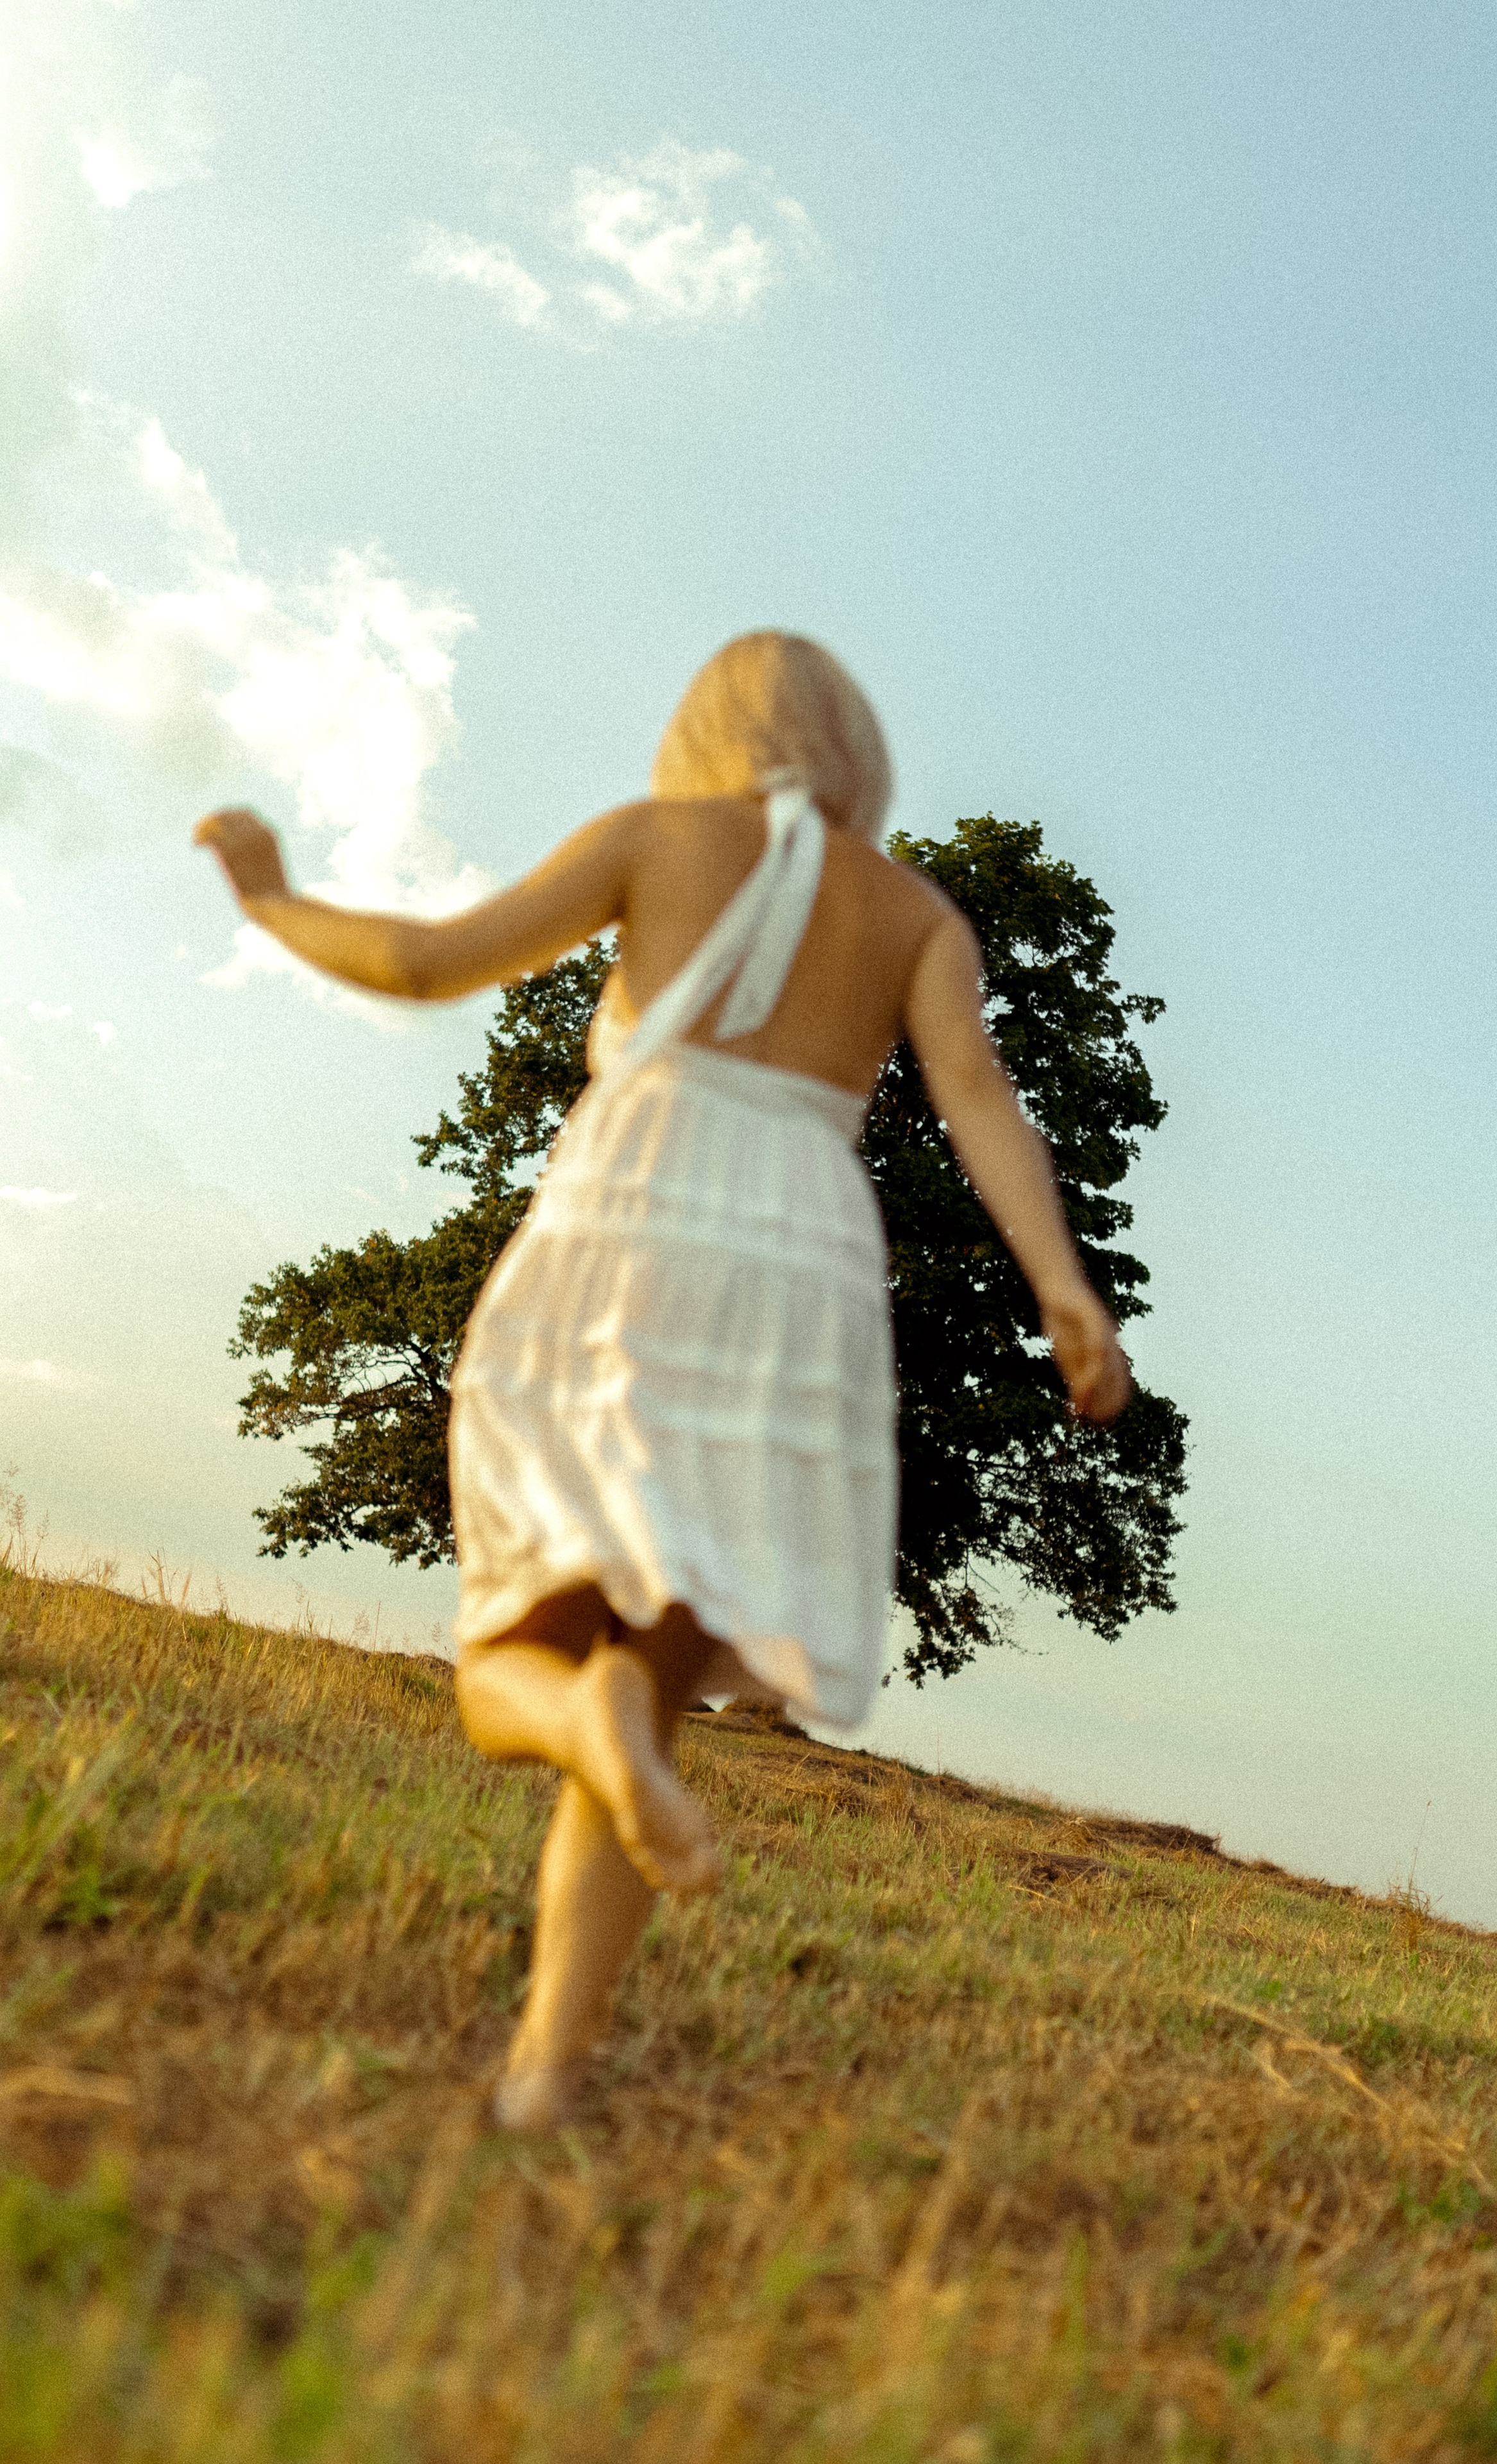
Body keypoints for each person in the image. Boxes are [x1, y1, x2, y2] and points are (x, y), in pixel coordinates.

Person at [196, 630, 1132, 2130]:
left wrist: (269, 896)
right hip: (792, 1272)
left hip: (625, 1228)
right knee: (653, 1659)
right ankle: (545, 2073)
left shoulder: (650, 835)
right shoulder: (912, 913)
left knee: (524, 1636)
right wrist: (1063, 1288)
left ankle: (579, 1733)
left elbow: (431, 962)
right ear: (857, 757)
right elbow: (980, 1097)